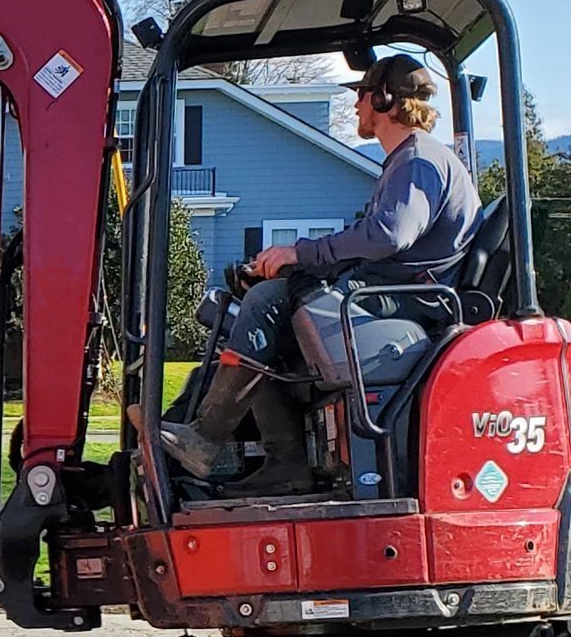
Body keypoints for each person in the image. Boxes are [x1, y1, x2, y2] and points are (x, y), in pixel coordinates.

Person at [158, 54, 482, 486]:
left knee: (267, 301)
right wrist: (295, 263)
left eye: (363, 96)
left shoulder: (418, 161)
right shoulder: (411, 161)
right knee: (267, 305)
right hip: (395, 293)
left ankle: (208, 437)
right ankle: (280, 464)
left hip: (407, 304)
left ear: (385, 99)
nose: (356, 107)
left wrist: (301, 254)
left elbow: (389, 235)